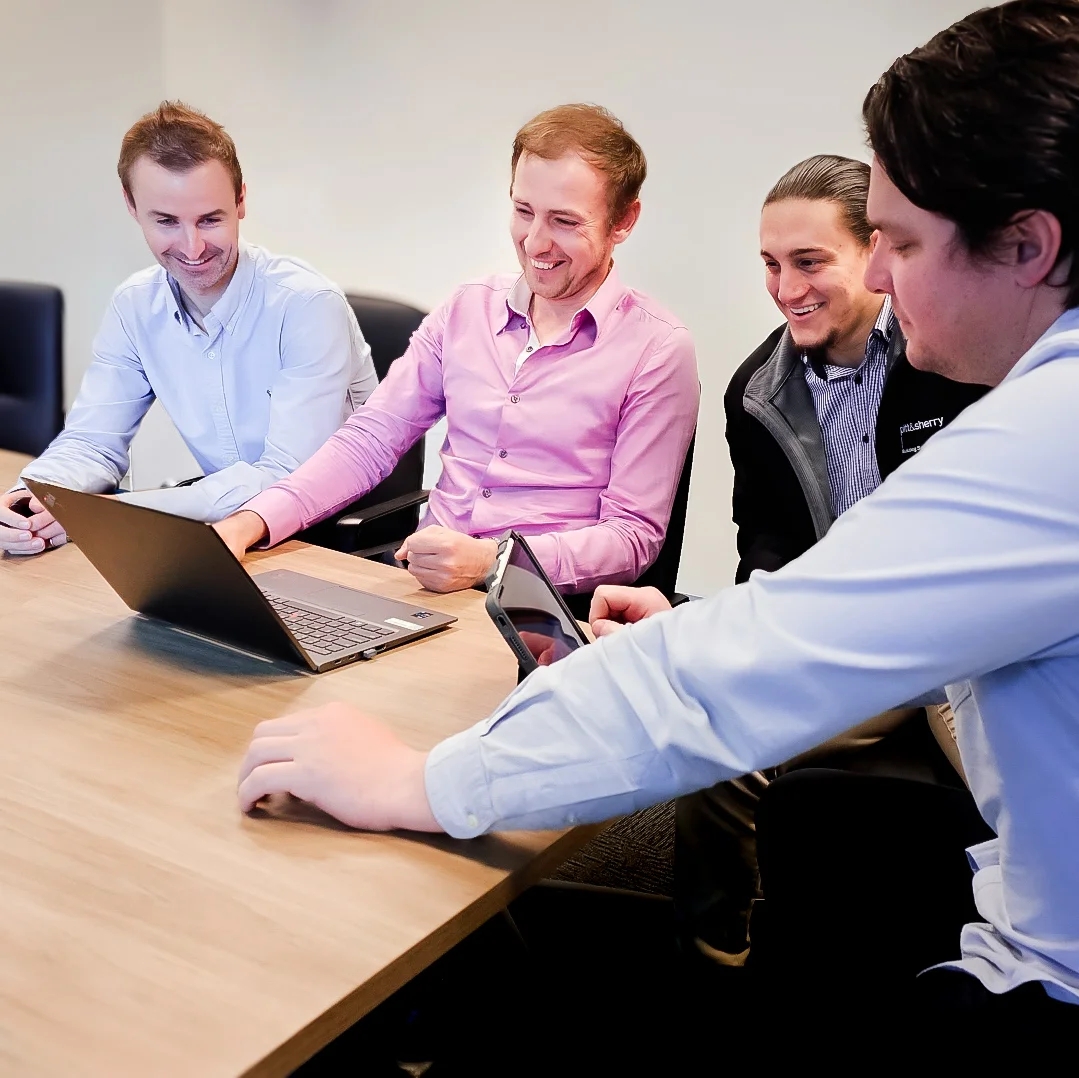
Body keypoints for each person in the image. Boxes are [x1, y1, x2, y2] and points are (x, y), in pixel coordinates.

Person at [240, 0, 1079, 1041]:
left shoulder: (1044, 432)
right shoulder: (514, 323)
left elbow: (753, 658)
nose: (869, 275)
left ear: (1027, 246)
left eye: (897, 243)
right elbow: (788, 598)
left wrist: (423, 780)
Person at [675, 154, 987, 964]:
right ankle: (725, 961)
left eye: (809, 262)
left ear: (875, 254)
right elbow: (766, 548)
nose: (785, 289)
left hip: (968, 651)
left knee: (1029, 785)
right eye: (771, 265)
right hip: (852, 651)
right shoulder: (758, 390)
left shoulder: (950, 355)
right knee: (714, 748)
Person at [213, 104, 699, 597]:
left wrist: (494, 560)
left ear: (624, 221)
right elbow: (371, 440)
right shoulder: (470, 308)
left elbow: (632, 538)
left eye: (565, 221)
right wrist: (251, 521)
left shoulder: (657, 349)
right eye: (524, 211)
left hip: (543, 604)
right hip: (425, 588)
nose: (534, 243)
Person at [0, 101, 377, 556]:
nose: (192, 247)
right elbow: (91, 442)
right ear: (131, 205)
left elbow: (287, 477)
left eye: (210, 219)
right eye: (166, 221)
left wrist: (104, 513)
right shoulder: (135, 305)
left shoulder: (308, 306)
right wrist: (37, 497)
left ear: (241, 200)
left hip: (329, 543)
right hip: (220, 537)